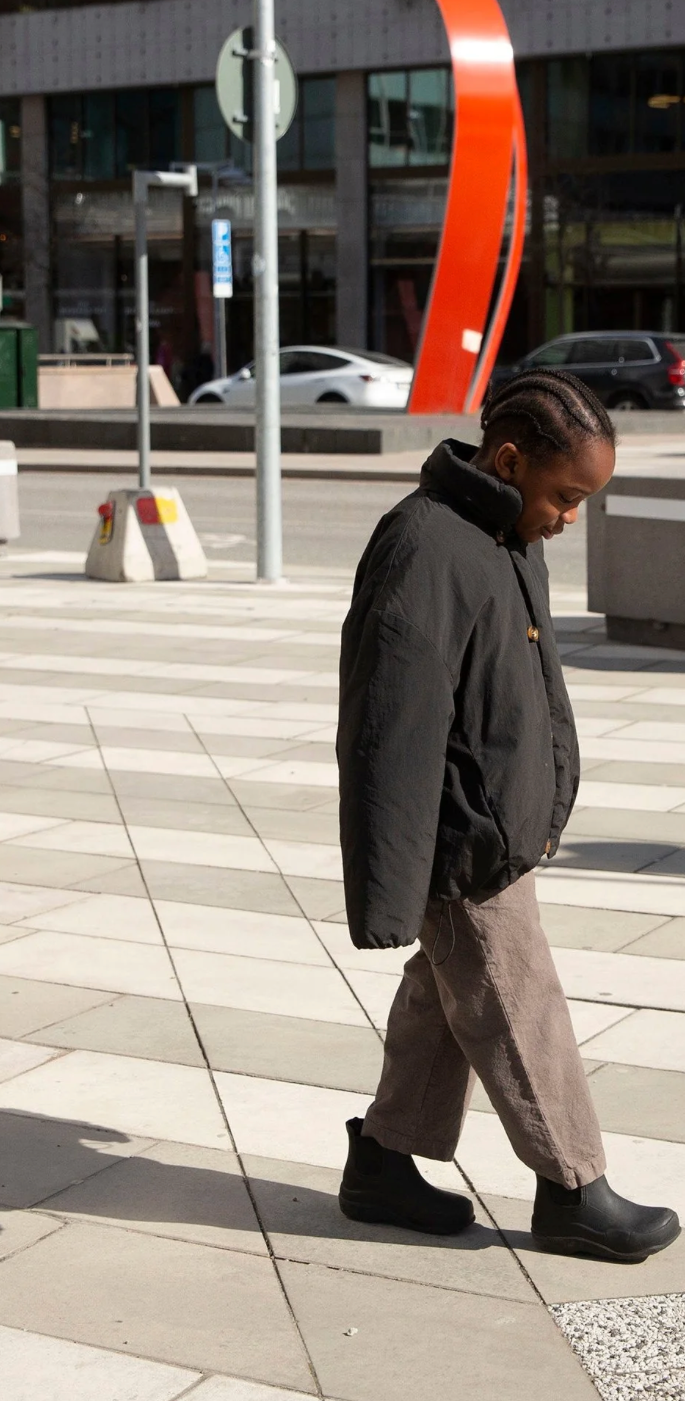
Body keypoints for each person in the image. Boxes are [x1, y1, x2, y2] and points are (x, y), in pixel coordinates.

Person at [336, 369, 680, 1264]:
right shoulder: (425, 543)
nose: (569, 517)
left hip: (497, 823)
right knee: (516, 994)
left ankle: (380, 1160)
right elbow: (390, 726)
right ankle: (573, 1189)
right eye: (566, 496)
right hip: (461, 837)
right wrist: (386, 883)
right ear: (511, 458)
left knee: (448, 992)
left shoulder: (504, 531)